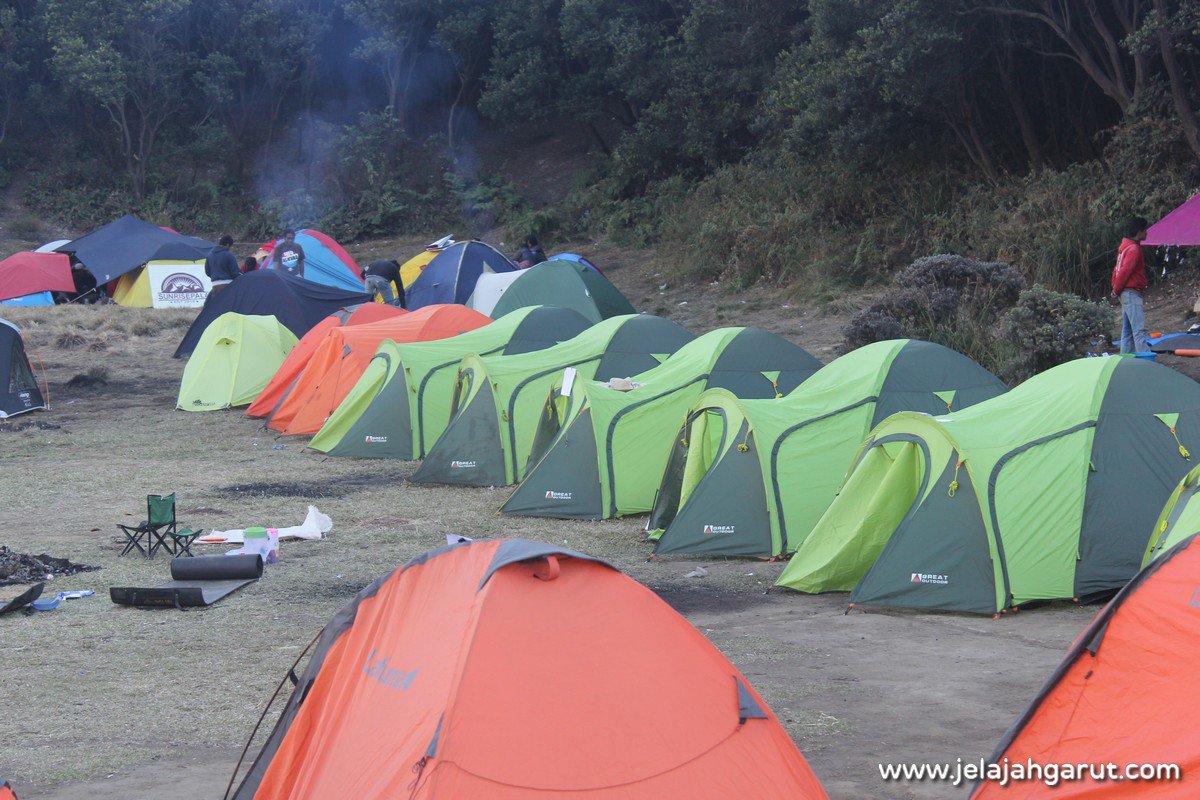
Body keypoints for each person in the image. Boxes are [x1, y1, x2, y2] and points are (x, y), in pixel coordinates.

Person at [1111, 216, 1150, 354]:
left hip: (1125, 293)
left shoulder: (1125, 248)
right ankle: (1147, 363)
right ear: (1139, 232)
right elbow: (1124, 272)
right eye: (1145, 230)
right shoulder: (1134, 249)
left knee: (1127, 331)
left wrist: (1116, 289)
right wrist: (1116, 290)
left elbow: (1117, 270)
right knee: (1139, 331)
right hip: (1131, 293)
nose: (1147, 233)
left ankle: (1125, 360)